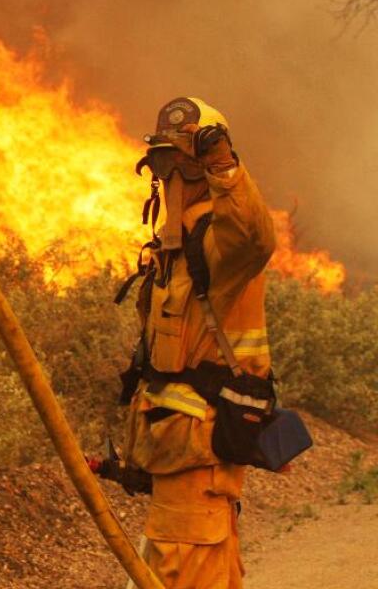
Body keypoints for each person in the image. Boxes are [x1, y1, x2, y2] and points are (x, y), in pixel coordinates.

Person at [118, 97, 277, 588]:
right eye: (164, 164)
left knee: (180, 574)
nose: (172, 179)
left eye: (183, 164)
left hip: (199, 453)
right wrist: (131, 454)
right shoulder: (174, 249)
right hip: (174, 454)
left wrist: (223, 165)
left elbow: (255, 236)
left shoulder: (220, 244)